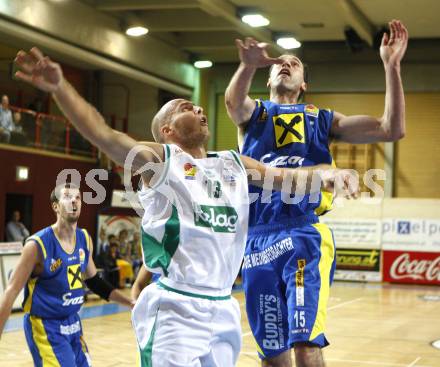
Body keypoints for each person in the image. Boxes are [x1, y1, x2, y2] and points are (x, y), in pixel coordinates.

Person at [13, 47, 356, 366]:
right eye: (185, 108)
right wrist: (61, 89)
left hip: (223, 308)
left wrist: (331, 173)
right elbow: (104, 135)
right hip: (176, 307)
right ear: (168, 129)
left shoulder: (233, 164)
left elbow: (287, 177)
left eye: (197, 106)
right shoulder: (160, 162)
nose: (198, 108)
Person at [224, 19, 408, 367]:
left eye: (295, 63)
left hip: (303, 233)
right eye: (280, 61)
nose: (286, 63)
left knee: (306, 345)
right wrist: (246, 65)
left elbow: (391, 128)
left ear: (304, 83)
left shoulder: (322, 120)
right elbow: (234, 103)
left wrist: (391, 66)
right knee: (272, 355)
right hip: (257, 241)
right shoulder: (254, 114)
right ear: (267, 78)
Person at [0, 183, 133, 366]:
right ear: (55, 206)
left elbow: (94, 282)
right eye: (67, 197)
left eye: (77, 197)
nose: (74, 201)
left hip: (73, 323)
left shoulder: (84, 239)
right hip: (46, 326)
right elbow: (11, 291)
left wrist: (130, 303)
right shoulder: (37, 245)